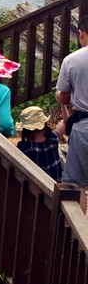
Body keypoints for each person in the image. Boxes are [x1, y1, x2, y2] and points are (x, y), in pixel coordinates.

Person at [57, 16, 88, 210]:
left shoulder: (72, 60)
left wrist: (60, 95)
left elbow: (64, 97)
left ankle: (78, 235)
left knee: (76, 185)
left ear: (81, 33)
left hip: (83, 128)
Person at [16, 106, 63, 181]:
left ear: (26, 130)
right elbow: (66, 122)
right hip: (57, 187)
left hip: (37, 190)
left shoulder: (25, 147)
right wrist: (63, 104)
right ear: (44, 125)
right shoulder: (52, 139)